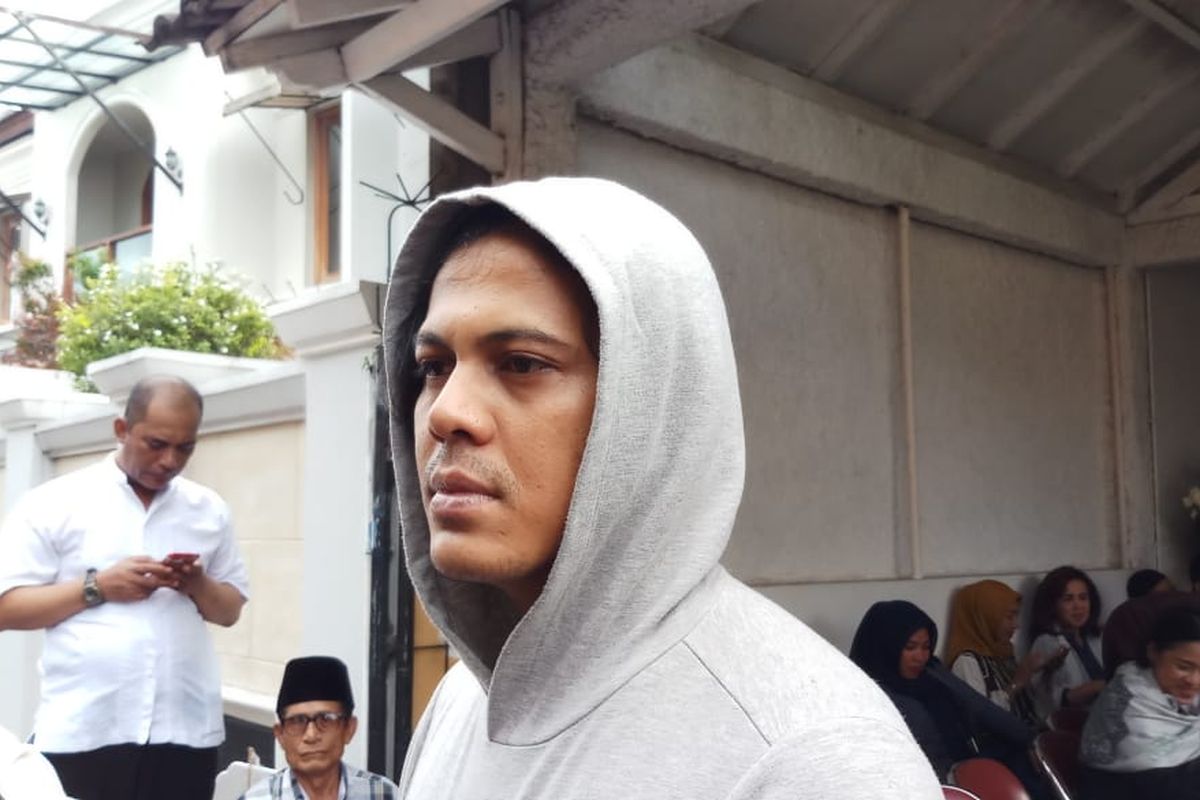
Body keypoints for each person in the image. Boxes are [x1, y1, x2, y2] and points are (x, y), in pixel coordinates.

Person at [382, 178, 942, 798]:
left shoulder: (818, 762)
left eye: (521, 363)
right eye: (434, 367)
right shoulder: (460, 703)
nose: (446, 412)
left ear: (651, 405)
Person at [0, 375, 249, 800]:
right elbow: (5, 608)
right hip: (85, 729)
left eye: (185, 447)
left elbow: (229, 611)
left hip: (185, 730)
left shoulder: (207, 509)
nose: (170, 460)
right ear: (122, 429)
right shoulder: (56, 502)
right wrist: (97, 587)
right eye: (156, 444)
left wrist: (196, 582)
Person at [850, 600, 1039, 791]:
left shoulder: (932, 671)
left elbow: (979, 706)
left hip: (970, 762)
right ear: (888, 647)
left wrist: (1030, 739)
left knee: (1027, 765)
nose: (920, 657)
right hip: (930, 785)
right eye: (910, 647)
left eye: (926, 647)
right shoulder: (871, 696)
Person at [1080, 606, 1200, 799]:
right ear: (1153, 652)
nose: (1194, 681)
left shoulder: (1177, 694)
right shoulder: (1131, 704)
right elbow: (1162, 786)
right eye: (1183, 667)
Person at [240, 656, 398, 800]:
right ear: (280, 735)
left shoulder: (382, 794)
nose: (311, 735)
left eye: (326, 719)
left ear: (349, 729)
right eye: (298, 721)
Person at [944, 579, 1048, 727]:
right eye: (1009, 617)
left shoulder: (1002, 651)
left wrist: (1041, 671)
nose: (1016, 625)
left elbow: (1027, 706)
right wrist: (1016, 684)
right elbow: (980, 716)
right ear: (987, 616)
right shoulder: (967, 662)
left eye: (1016, 616)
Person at [1028, 565, 1105, 718]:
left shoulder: (1094, 637)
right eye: (1068, 599)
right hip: (1071, 725)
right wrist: (1097, 687)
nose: (1078, 606)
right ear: (1052, 605)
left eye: (1083, 598)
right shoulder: (1046, 642)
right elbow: (1054, 700)